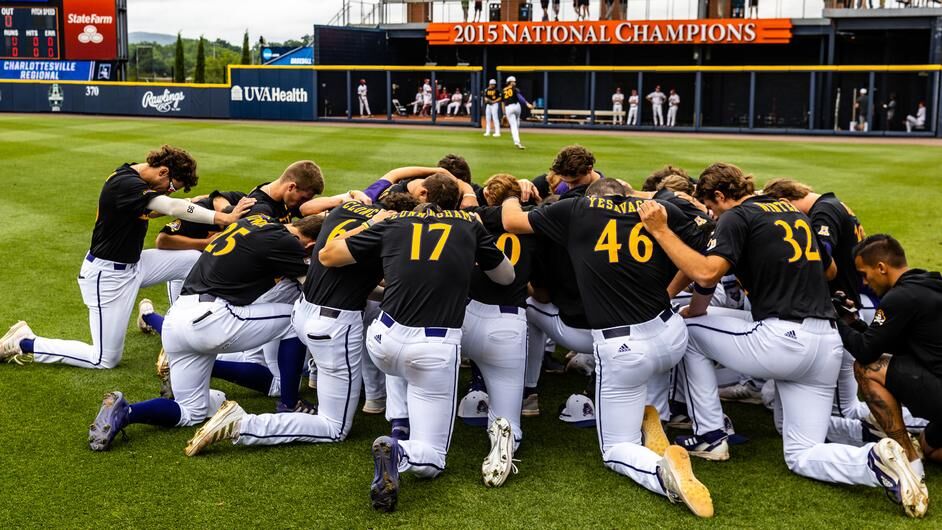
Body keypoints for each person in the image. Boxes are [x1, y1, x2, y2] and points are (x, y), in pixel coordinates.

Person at [637, 163, 928, 519]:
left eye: (711, 207)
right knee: (802, 453)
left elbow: (706, 271)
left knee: (691, 330)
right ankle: (873, 461)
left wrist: (661, 230)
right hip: (826, 342)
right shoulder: (791, 210)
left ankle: (711, 435)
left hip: (782, 339)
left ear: (718, 196)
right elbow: (830, 270)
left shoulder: (736, 216)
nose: (711, 215)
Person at [501, 178, 715, 518]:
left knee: (615, 448)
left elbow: (511, 221)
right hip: (670, 333)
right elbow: (705, 267)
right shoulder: (661, 209)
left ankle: (662, 473)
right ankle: (656, 412)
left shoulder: (576, 209)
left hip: (623, 346)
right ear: (627, 194)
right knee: (652, 365)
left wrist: (512, 194)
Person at [183, 195, 423, 456]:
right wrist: (375, 226)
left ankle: (288, 395)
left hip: (303, 313)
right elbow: (335, 255)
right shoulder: (388, 228)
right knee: (335, 427)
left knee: (305, 371)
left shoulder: (344, 209)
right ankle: (243, 423)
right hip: (334, 323)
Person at [318, 193, 514, 513]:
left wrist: (372, 225)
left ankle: (398, 421)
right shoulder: (467, 227)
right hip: (432, 347)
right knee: (433, 459)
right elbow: (506, 277)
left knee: (400, 367)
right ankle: (398, 447)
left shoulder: (393, 224)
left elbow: (328, 255)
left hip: (383, 339)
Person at [80, 213, 323, 452]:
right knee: (294, 318)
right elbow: (311, 286)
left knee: (191, 411)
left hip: (177, 319)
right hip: (213, 318)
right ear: (310, 244)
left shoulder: (258, 221)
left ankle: (127, 412)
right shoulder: (291, 244)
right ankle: (291, 404)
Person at [0, 146, 254, 369]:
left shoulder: (133, 174)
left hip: (136, 265)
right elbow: (170, 207)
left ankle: (180, 326)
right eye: (173, 186)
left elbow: (153, 210)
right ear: (164, 172)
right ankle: (25, 342)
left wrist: (191, 200)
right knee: (104, 359)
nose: (170, 191)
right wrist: (225, 218)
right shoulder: (126, 184)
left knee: (194, 260)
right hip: (107, 276)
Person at [456, 174, 537, 486]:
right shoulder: (531, 226)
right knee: (508, 417)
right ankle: (505, 439)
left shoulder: (471, 219)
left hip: (464, 314)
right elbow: (539, 290)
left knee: (430, 384)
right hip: (508, 322)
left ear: (487, 193)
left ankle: (407, 425)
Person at [835, 235, 942, 470]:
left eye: (864, 273)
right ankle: (919, 452)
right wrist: (852, 322)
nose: (863, 282)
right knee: (930, 447)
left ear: (881, 267)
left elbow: (865, 352)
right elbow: (888, 342)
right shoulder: (928, 284)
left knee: (866, 368)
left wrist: (833, 318)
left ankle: (909, 458)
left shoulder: (899, 297)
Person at [501, 76, 534, 150]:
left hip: (508, 108)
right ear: (510, 82)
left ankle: (516, 141)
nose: (514, 83)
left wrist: (504, 114)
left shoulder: (503, 90)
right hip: (516, 106)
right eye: (513, 81)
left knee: (514, 126)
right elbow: (520, 97)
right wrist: (527, 103)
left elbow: (502, 103)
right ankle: (517, 141)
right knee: (516, 124)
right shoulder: (514, 89)